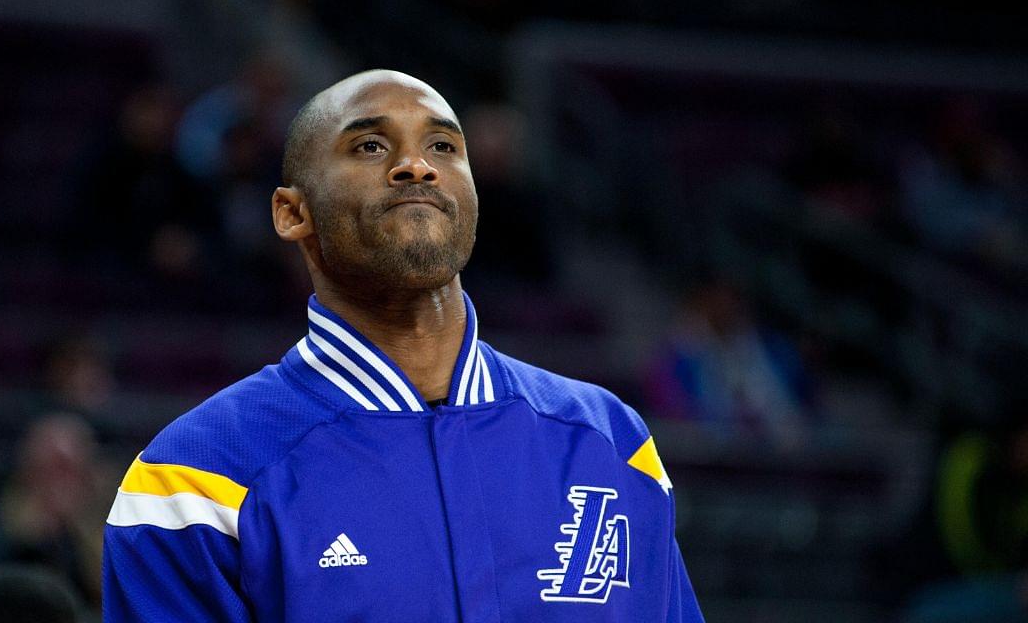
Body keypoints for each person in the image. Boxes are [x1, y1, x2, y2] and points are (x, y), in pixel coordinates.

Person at [102, 70, 704, 621]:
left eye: (443, 146)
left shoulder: (612, 443)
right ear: (291, 213)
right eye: (370, 146)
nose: (416, 165)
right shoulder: (191, 481)